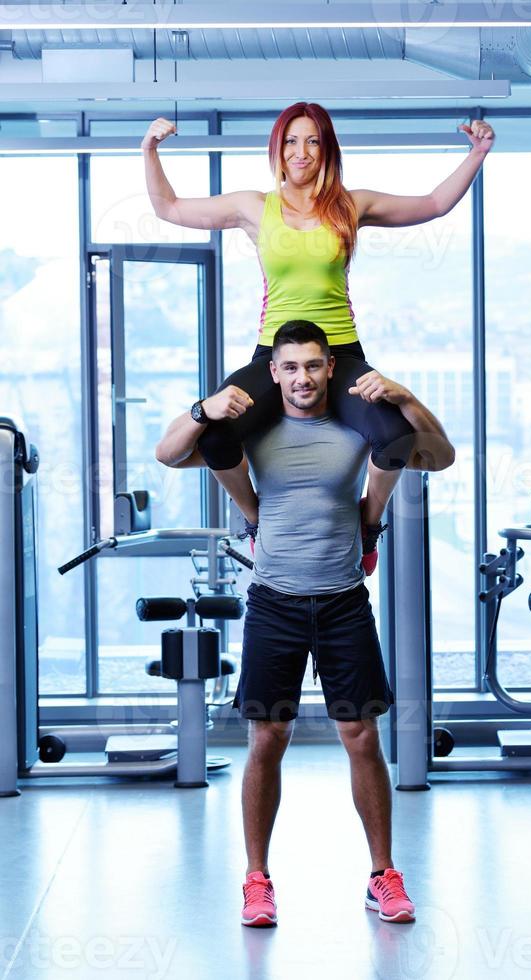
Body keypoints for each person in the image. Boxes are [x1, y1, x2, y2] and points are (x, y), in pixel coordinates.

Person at [155, 320, 455, 927]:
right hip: (274, 602)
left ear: (330, 369)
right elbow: (169, 452)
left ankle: (382, 876)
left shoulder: (355, 427)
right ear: (274, 372)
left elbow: (441, 455)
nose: (302, 378)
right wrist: (203, 406)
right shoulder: (256, 432)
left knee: (362, 737)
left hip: (344, 600)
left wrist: (403, 396)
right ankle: (257, 880)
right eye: (290, 367)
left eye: (313, 366)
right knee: (267, 739)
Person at [142, 102, 492, 566]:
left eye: (312, 140)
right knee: (215, 438)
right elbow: (168, 207)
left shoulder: (350, 204)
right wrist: (149, 149)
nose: (301, 151)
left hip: (340, 353)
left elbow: (432, 204)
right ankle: (255, 519)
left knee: (393, 436)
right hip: (276, 352)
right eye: (291, 141)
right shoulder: (254, 206)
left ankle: (369, 526)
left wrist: (477, 153)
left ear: (326, 148)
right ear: (278, 149)